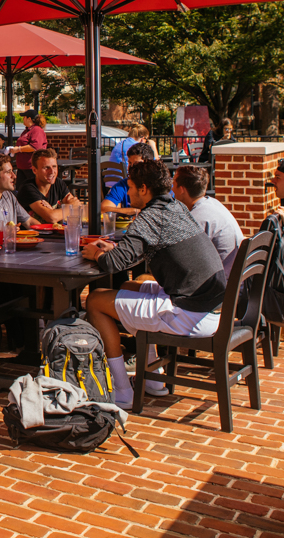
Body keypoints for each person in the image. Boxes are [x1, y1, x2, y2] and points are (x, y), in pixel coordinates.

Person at [81, 159, 227, 408]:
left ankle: (123, 390)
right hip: (210, 308)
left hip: (187, 314)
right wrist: (117, 248)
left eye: (130, 187)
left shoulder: (151, 217)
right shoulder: (177, 208)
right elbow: (149, 247)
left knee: (94, 300)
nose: (127, 193)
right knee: (128, 287)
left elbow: (113, 264)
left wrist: (96, 253)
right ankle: (153, 380)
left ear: (144, 188)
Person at [173, 166, 244, 279]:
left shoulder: (196, 220)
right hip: (234, 283)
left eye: (174, 184)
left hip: (219, 289)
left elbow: (180, 264)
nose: (172, 190)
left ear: (182, 190)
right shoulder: (214, 204)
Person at [16, 148, 78, 224]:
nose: (52, 172)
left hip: (52, 233)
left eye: (54, 166)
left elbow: (77, 206)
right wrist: (71, 207)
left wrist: (53, 211)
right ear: (34, 170)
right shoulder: (27, 188)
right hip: (31, 234)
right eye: (46, 168)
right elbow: (51, 218)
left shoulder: (58, 183)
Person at [102, 142, 154, 217]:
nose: (131, 167)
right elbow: (104, 209)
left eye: (136, 164)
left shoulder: (157, 185)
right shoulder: (123, 185)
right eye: (129, 163)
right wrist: (136, 211)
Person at [9, 109, 47, 185]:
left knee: (32, 188)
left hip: (31, 167)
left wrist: (19, 149)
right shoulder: (27, 131)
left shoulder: (37, 130)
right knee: (21, 190)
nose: (23, 119)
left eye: (24, 117)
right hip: (22, 167)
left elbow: (35, 147)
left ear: (29, 118)